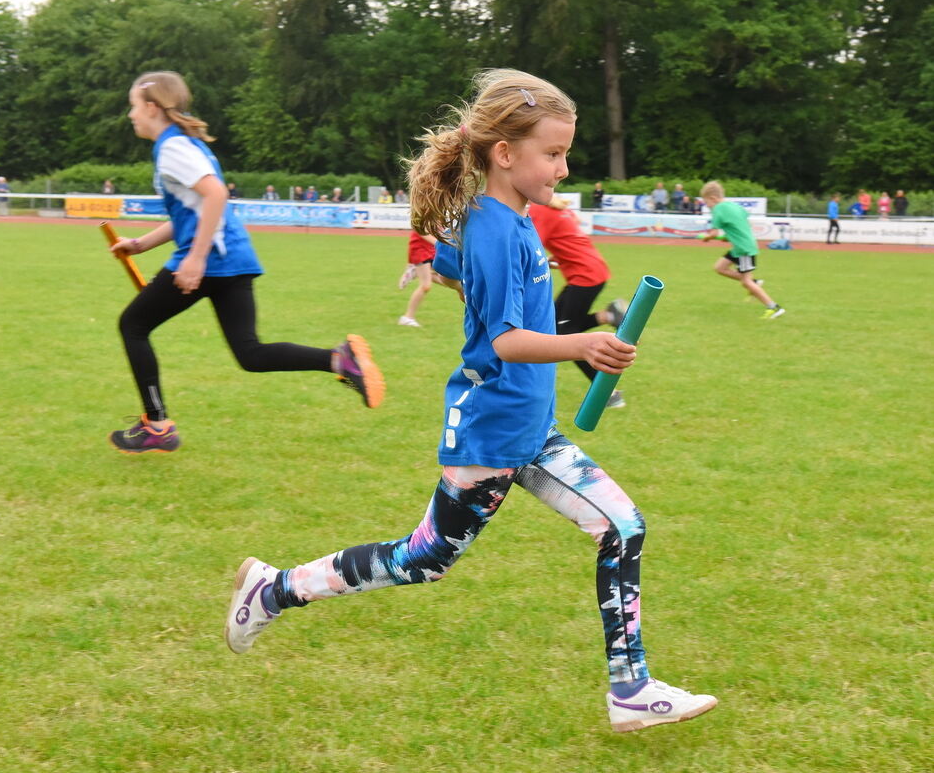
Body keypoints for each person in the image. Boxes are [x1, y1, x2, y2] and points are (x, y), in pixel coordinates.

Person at [225, 68, 718, 734]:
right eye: (552, 153)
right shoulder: (494, 228)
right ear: (504, 154)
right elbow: (506, 340)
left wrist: (462, 277)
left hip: (529, 428)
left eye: (565, 153)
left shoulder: (507, 221)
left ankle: (630, 689)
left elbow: (452, 272)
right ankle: (276, 589)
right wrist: (583, 344)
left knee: (622, 526)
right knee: (422, 558)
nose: (563, 168)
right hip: (491, 432)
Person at [108, 70, 385, 453]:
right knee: (250, 354)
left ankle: (157, 426)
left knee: (133, 325)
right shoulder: (184, 145)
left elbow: (216, 194)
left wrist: (195, 259)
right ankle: (340, 360)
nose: (131, 115)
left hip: (211, 259)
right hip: (234, 257)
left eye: (134, 106)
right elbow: (193, 209)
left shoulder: (172, 148)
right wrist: (141, 244)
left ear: (153, 107)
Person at [529, 196, 628, 407]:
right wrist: (558, 257)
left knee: (567, 335)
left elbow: (532, 248)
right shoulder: (558, 209)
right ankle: (608, 315)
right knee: (555, 328)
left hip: (584, 276)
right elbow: (568, 238)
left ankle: (608, 393)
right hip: (591, 271)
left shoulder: (539, 210)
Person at [699, 180, 785, 319]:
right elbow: (740, 226)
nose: (707, 206)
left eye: (706, 202)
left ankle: (774, 307)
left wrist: (707, 238)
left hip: (743, 249)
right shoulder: (735, 206)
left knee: (746, 282)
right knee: (720, 268)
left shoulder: (718, 209)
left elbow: (714, 233)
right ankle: (755, 282)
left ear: (713, 198)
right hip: (741, 246)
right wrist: (727, 237)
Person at [396, 230, 436, 327]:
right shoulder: (422, 219)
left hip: (431, 248)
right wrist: (440, 244)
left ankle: (416, 271)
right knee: (425, 285)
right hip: (420, 248)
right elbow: (421, 230)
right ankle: (407, 317)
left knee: (449, 279)